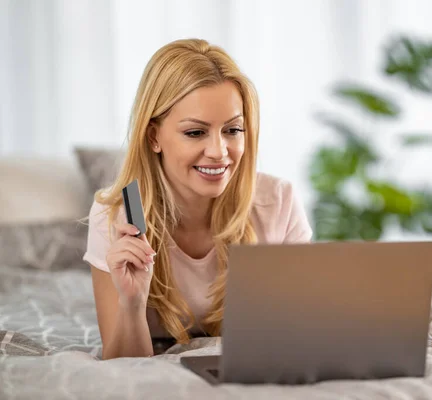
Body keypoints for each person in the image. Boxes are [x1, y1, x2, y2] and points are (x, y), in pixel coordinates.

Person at [83, 38, 312, 360]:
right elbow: (121, 368)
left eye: (233, 130)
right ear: (154, 137)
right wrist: (132, 305)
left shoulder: (278, 202)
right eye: (195, 133)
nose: (219, 152)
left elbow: (300, 336)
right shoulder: (115, 216)